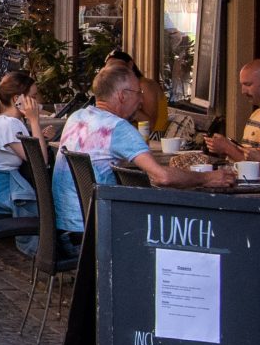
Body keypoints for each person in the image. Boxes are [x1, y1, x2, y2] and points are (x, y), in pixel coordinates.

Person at [47, 64, 180, 247]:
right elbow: (162, 177)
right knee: (168, 226)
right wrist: (207, 178)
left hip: (63, 229)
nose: (141, 99)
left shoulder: (77, 117)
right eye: (138, 92)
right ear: (122, 95)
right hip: (94, 236)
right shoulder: (117, 128)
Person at [0, 72, 44, 227]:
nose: (38, 101)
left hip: (2, 185)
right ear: (17, 99)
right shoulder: (9, 125)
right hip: (7, 191)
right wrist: (34, 121)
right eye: (33, 97)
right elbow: (40, 161)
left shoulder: (4, 121)